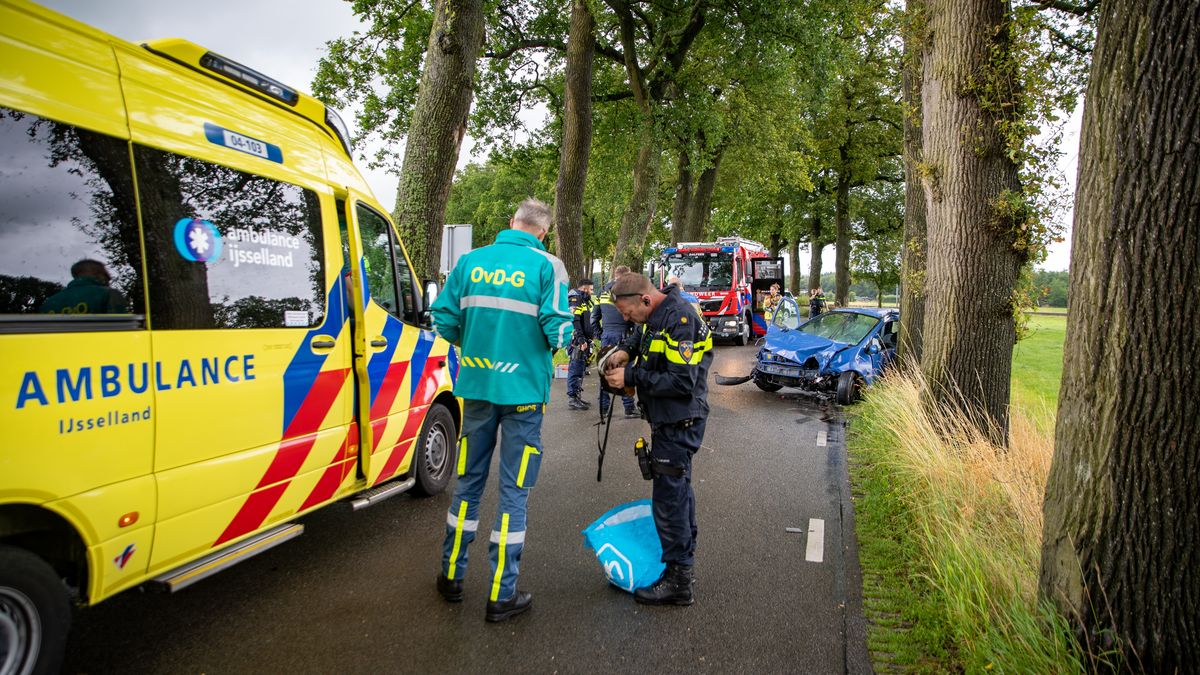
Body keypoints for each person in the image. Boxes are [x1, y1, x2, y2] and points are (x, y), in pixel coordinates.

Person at [430, 198, 573, 623]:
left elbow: (442, 316)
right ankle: (501, 594)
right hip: (524, 394)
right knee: (514, 492)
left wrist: (473, 346)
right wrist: (541, 352)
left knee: (468, 482)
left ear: (511, 223)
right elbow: (559, 327)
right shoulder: (549, 266)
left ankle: (452, 576)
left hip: (475, 388)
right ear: (542, 233)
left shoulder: (471, 261)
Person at [603, 273, 713, 606]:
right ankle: (683, 565)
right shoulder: (654, 316)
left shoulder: (680, 320)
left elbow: (681, 382)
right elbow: (641, 338)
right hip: (667, 420)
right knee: (677, 493)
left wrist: (632, 375)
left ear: (646, 300)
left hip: (679, 421)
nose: (626, 319)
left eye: (628, 312)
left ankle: (679, 581)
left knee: (669, 501)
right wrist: (624, 351)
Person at [591, 265, 638, 419]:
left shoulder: (602, 292)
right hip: (624, 335)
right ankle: (629, 408)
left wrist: (599, 333)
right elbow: (635, 317)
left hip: (607, 335)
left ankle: (603, 409)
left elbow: (594, 317)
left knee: (606, 370)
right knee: (626, 371)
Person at [40, 259, 128, 314]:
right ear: (95, 273)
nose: (109, 277)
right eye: (105, 273)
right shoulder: (108, 294)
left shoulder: (48, 303)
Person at [566, 279, 596, 410]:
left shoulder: (584, 299)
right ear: (584, 289)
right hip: (577, 341)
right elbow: (574, 320)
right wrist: (581, 340)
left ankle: (577, 396)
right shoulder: (575, 299)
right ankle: (572, 398)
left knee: (580, 369)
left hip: (583, 340)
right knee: (575, 368)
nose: (592, 292)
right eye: (591, 289)